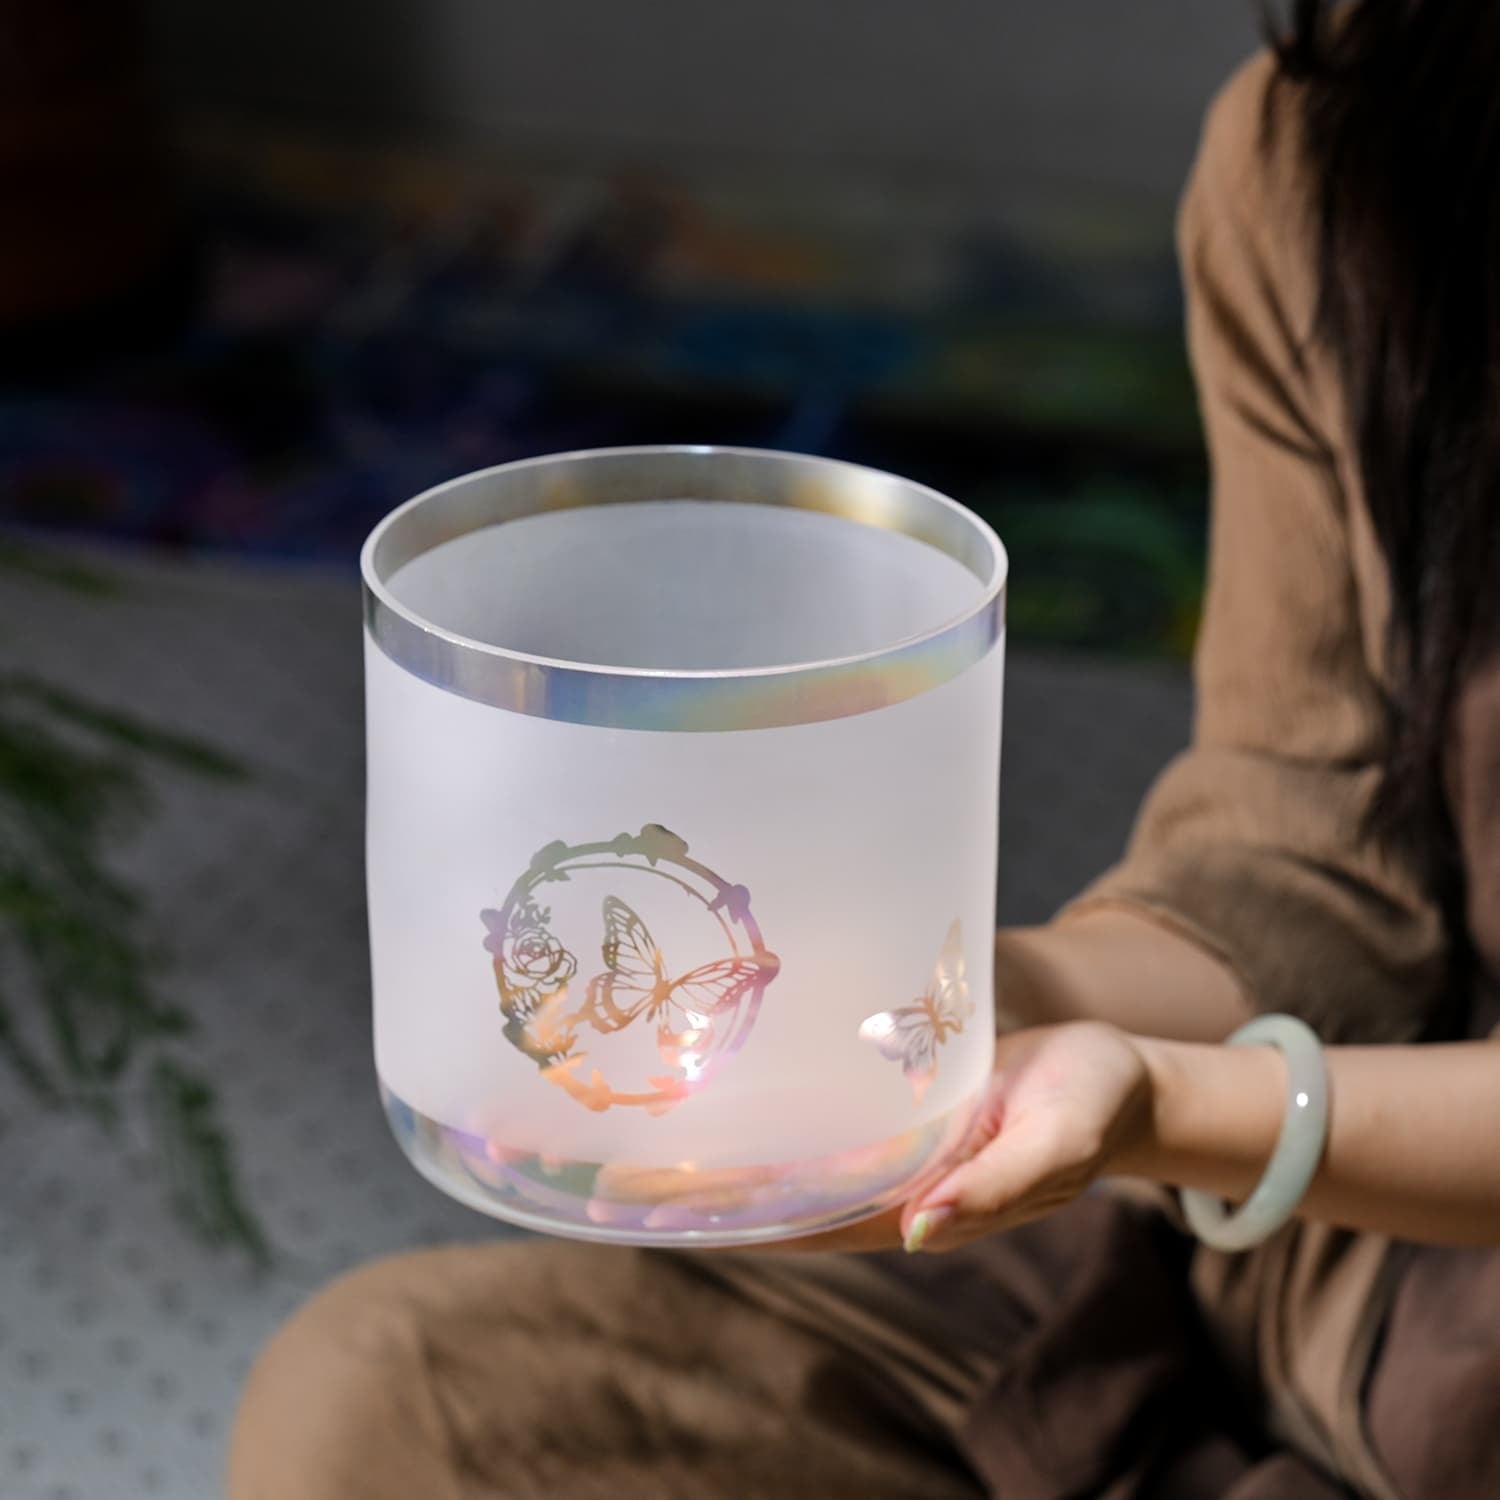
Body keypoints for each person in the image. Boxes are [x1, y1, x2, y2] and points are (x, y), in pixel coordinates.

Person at [229, 5, 1500, 1496]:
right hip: (1277, 1270)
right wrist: (943, 1032)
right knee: (391, 1405)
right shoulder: (1332, 151)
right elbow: (1306, 867)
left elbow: (1189, 1098)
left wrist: (1177, 1107)